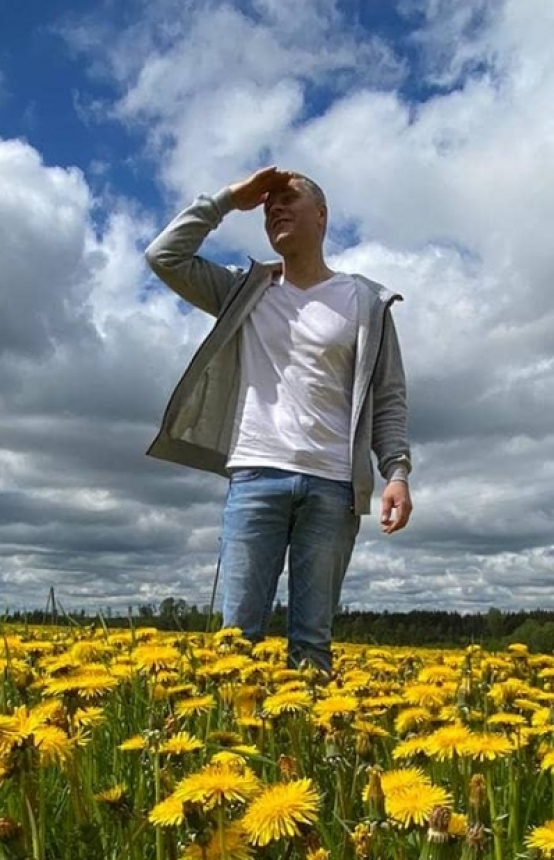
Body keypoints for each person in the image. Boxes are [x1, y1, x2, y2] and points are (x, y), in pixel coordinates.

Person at [143, 165, 413, 673]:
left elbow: (389, 395)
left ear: (322, 216)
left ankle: (306, 725)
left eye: (289, 199)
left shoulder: (366, 302)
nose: (275, 210)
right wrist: (228, 199)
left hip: (334, 486)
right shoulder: (246, 289)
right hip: (255, 476)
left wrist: (396, 472)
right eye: (268, 207)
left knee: (312, 646)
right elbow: (164, 256)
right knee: (236, 642)